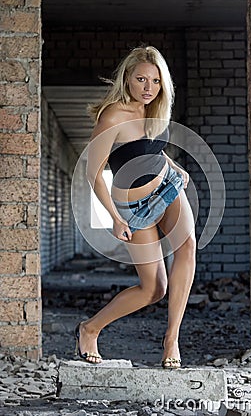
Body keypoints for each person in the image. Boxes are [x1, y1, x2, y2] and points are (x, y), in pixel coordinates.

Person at [74, 46, 196, 369]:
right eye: (141, 79)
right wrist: (114, 219)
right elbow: (93, 172)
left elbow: (149, 150)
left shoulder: (155, 110)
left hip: (166, 186)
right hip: (133, 208)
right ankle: (90, 329)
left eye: (155, 81)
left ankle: (171, 339)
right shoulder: (112, 115)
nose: (148, 87)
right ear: (127, 78)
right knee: (154, 288)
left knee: (187, 246)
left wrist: (173, 165)